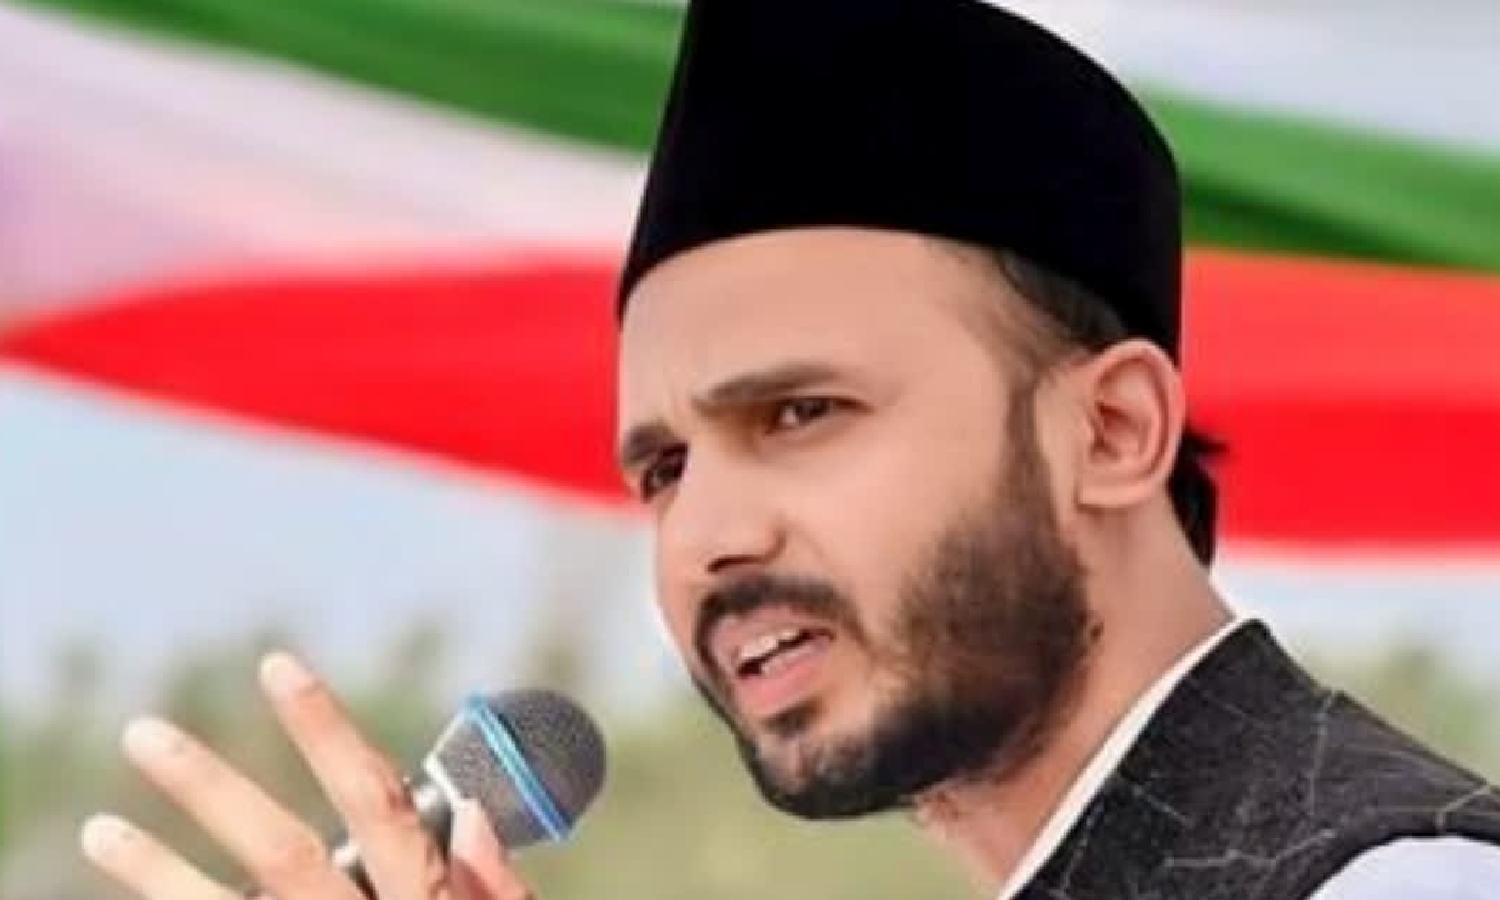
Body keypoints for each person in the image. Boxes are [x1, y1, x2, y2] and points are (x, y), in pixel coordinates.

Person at [79, 2, 1500, 899]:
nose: (707, 539)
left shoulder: (1394, 880)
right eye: (664, 470)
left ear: (1113, 431)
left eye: (799, 415)